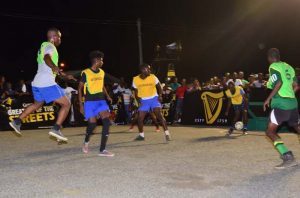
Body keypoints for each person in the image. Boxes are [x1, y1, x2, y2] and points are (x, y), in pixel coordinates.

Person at [9, 27, 76, 141]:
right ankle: (56, 129)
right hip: (46, 83)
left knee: (37, 104)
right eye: (59, 37)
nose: (60, 39)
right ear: (54, 37)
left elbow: (47, 66)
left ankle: (17, 122)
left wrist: (64, 75)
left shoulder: (43, 46)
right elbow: (46, 58)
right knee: (66, 104)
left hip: (37, 82)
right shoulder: (51, 46)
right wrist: (55, 66)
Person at [263, 48, 299, 169]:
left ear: (270, 58)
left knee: (270, 132)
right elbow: (296, 86)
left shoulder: (273, 66)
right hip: (293, 102)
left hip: (281, 103)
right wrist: (290, 95)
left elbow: (278, 83)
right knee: (296, 126)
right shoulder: (289, 67)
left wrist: (268, 99)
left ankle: (287, 156)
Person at [78, 50, 114, 156]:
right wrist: (81, 105)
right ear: (97, 61)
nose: (103, 62)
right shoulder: (86, 73)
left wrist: (107, 95)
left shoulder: (102, 72)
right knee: (92, 125)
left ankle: (102, 150)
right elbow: (79, 88)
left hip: (101, 101)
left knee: (107, 122)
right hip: (89, 102)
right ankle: (86, 141)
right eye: (101, 60)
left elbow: (102, 85)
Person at [132, 63, 171, 141]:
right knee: (140, 118)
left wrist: (160, 95)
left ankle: (167, 134)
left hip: (154, 99)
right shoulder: (135, 79)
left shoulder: (153, 77)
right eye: (148, 69)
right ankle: (141, 135)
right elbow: (136, 92)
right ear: (143, 70)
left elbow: (159, 87)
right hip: (144, 101)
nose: (150, 70)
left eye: (150, 69)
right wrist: (138, 100)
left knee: (159, 115)